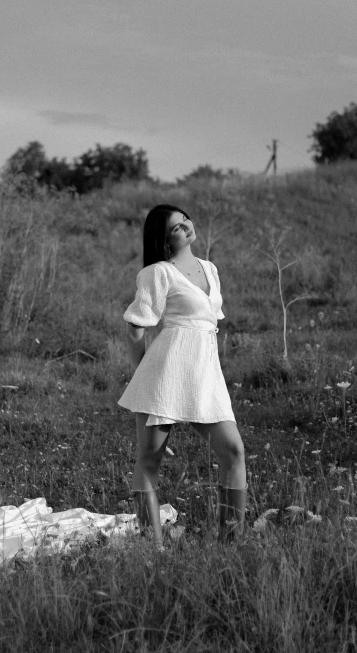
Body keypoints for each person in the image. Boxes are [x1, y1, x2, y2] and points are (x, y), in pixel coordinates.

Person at [118, 203, 247, 547]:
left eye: (185, 219)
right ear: (163, 238)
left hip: (205, 373)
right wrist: (141, 376)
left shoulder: (209, 268)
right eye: (176, 227)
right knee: (150, 459)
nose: (186, 227)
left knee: (233, 451)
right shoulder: (158, 273)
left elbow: (208, 324)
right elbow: (135, 328)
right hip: (165, 373)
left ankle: (230, 546)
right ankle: (153, 549)